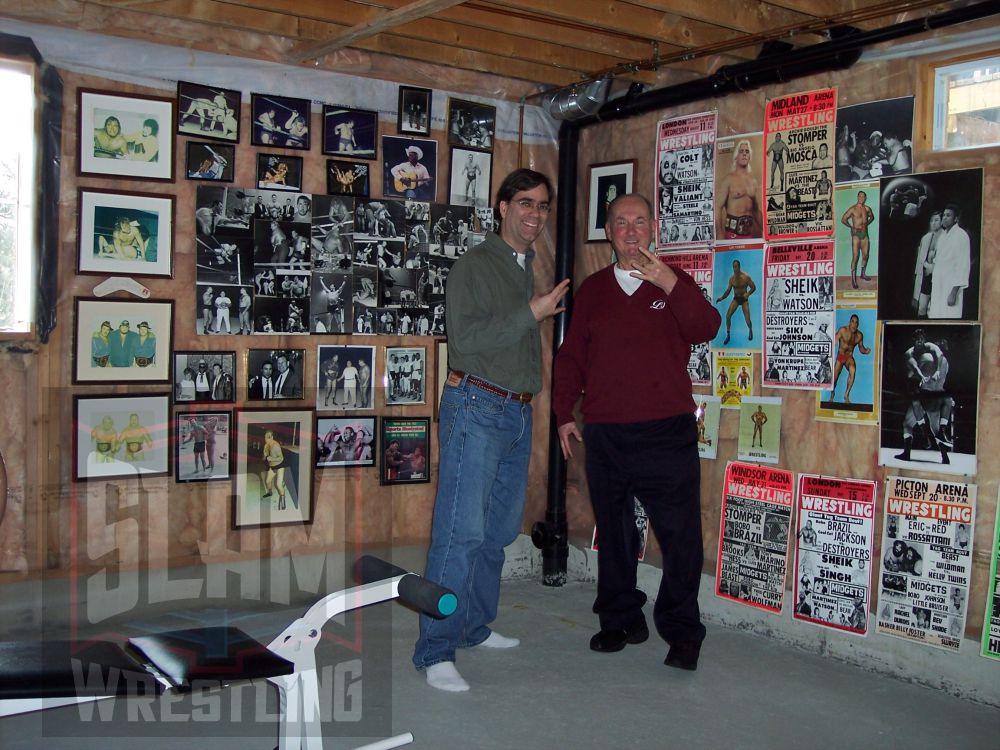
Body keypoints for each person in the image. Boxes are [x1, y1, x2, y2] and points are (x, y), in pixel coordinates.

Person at [413, 169, 570, 693]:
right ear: (501, 207)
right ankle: (435, 650)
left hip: (516, 412)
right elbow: (467, 338)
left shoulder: (522, 267)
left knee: (498, 533)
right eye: (525, 203)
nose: (535, 214)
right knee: (461, 534)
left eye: (543, 206)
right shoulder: (475, 264)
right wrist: (532, 311)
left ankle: (474, 627)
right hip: (477, 404)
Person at [554, 192, 720, 673]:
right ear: (609, 231)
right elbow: (572, 358)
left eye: (640, 222)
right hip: (606, 433)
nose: (630, 231)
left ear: (653, 228)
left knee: (680, 536)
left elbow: (707, 326)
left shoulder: (674, 284)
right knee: (618, 535)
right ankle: (620, 617)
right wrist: (565, 412)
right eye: (621, 222)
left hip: (667, 432)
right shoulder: (594, 290)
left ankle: (683, 631)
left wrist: (668, 280)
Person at [894, 329, 951, 464]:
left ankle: (910, 450)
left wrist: (918, 375)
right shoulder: (946, 365)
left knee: (907, 424)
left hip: (924, 395)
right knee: (936, 429)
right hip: (937, 398)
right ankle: (944, 456)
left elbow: (911, 373)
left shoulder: (925, 357)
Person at [928, 204, 971, 318]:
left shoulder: (961, 236)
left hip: (950, 287)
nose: (944, 218)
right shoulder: (943, 236)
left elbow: (963, 265)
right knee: (935, 314)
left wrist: (954, 292)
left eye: (948, 215)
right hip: (938, 284)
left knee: (950, 315)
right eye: (944, 215)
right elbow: (939, 260)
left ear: (956, 219)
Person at [716, 139, 761, 240]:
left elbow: (756, 210)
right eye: (741, 151)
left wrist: (765, 231)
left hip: (749, 235)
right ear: (736, 156)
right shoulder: (728, 180)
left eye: (747, 151)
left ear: (750, 156)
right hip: (732, 235)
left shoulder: (753, 181)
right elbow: (718, 207)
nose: (744, 154)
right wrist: (719, 233)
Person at [830, 314, 871, 403]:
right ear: (850, 322)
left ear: (858, 324)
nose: (854, 324)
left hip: (849, 357)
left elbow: (861, 348)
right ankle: (832, 394)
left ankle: (846, 395)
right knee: (834, 379)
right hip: (840, 357)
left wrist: (866, 351)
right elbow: (834, 339)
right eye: (853, 322)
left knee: (853, 370)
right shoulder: (843, 330)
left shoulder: (859, 336)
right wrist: (835, 341)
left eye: (856, 323)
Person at [715, 259, 756, 345]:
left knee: (747, 319)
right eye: (733, 267)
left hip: (744, 299)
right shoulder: (732, 279)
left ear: (739, 267)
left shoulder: (746, 277)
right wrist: (722, 298)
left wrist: (748, 293)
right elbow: (728, 291)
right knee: (727, 316)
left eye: (736, 267)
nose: (735, 269)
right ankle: (728, 335)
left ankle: (750, 330)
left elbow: (753, 287)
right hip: (736, 299)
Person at [840, 191, 874, 289]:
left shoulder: (867, 208)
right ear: (857, 197)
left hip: (865, 234)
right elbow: (843, 219)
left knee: (865, 255)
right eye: (860, 196)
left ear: (865, 198)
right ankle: (853, 280)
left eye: (863, 197)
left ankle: (862, 274)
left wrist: (867, 224)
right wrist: (851, 227)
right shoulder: (853, 209)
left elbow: (872, 217)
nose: (862, 198)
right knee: (855, 256)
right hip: (856, 234)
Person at [912, 211, 942, 318]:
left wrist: (933, 267)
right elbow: (919, 261)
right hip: (925, 278)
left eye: (936, 220)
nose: (933, 223)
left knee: (934, 310)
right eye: (931, 221)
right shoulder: (925, 238)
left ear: (942, 221)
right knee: (921, 308)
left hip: (938, 279)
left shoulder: (946, 237)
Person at [262, 430, 289, 510]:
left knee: (279, 485)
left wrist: (271, 458)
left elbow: (281, 458)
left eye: (269, 437)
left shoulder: (276, 446)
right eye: (266, 437)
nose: (267, 439)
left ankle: (283, 500)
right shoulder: (266, 446)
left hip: (280, 466)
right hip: (272, 467)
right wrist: (264, 456)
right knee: (267, 481)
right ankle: (270, 493)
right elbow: (265, 457)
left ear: (272, 437)